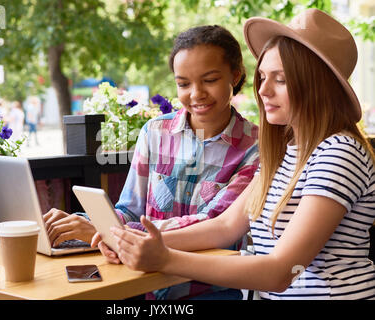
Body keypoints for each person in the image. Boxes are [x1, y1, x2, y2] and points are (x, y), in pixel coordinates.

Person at [103, 9, 375, 300]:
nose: (263, 90)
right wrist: (136, 242)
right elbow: (225, 227)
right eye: (262, 77)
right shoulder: (285, 153)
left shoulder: (339, 152)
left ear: (318, 85)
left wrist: (165, 258)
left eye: (280, 80)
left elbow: (281, 271)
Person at [44, 25, 259, 300]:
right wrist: (82, 223)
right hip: (141, 285)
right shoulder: (154, 132)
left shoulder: (256, 147)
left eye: (210, 80)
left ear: (236, 75)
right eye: (183, 84)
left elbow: (216, 227)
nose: (196, 93)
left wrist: (113, 234)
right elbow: (130, 211)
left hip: (207, 289)